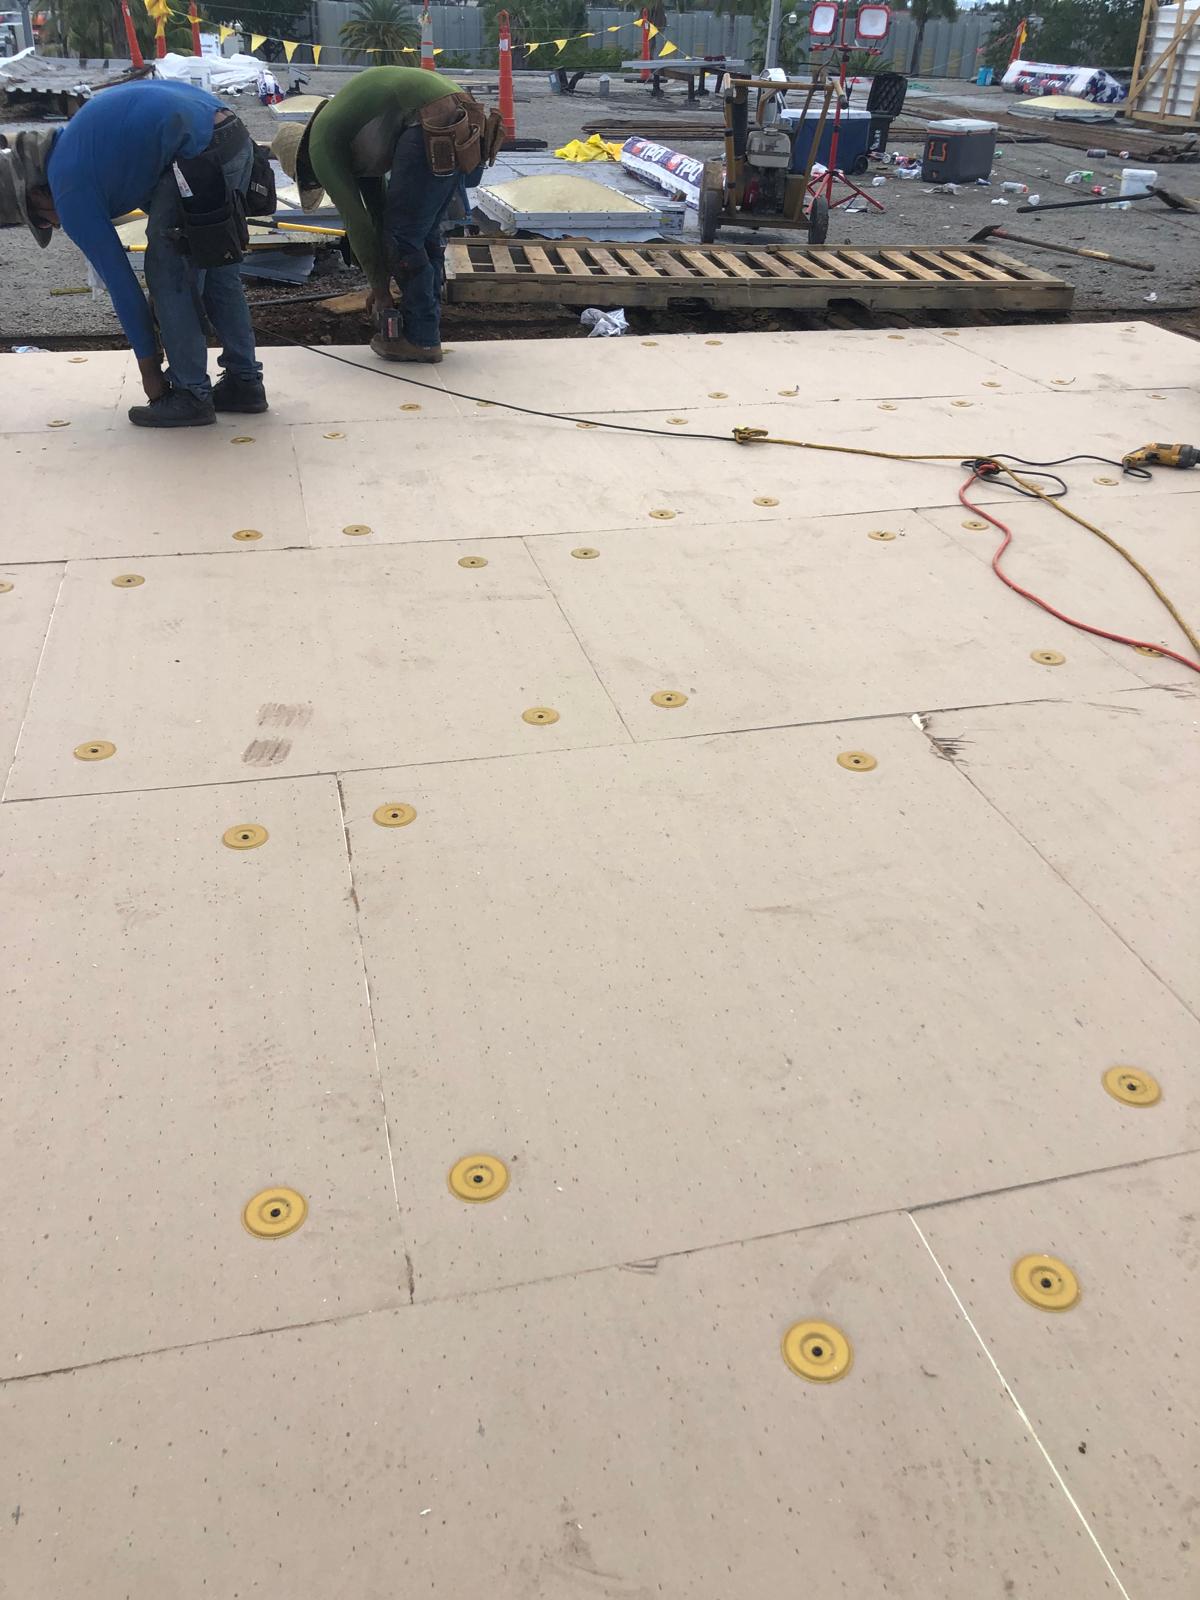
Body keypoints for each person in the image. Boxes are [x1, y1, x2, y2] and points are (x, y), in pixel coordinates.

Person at [0, 79, 266, 427]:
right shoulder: (84, 145)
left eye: (42, 221)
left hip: (197, 152)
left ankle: (190, 395)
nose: (57, 225)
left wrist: (151, 378)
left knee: (167, 276)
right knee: (218, 269)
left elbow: (125, 290)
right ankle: (244, 383)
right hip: (233, 137)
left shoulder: (69, 186)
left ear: (36, 195)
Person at [272, 66, 500, 364]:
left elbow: (358, 225)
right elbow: (378, 213)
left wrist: (380, 293)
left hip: (428, 117)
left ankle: (420, 339)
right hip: (460, 114)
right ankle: (424, 328)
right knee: (422, 234)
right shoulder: (352, 136)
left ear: (304, 165)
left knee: (403, 237)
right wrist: (379, 282)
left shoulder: (322, 148)